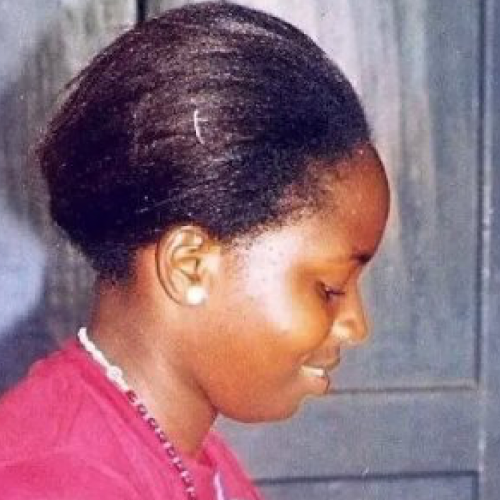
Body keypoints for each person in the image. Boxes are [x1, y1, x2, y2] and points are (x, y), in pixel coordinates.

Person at [0, 1, 390, 498]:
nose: (356, 326)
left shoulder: (182, 448)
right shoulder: (56, 480)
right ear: (189, 266)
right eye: (330, 288)